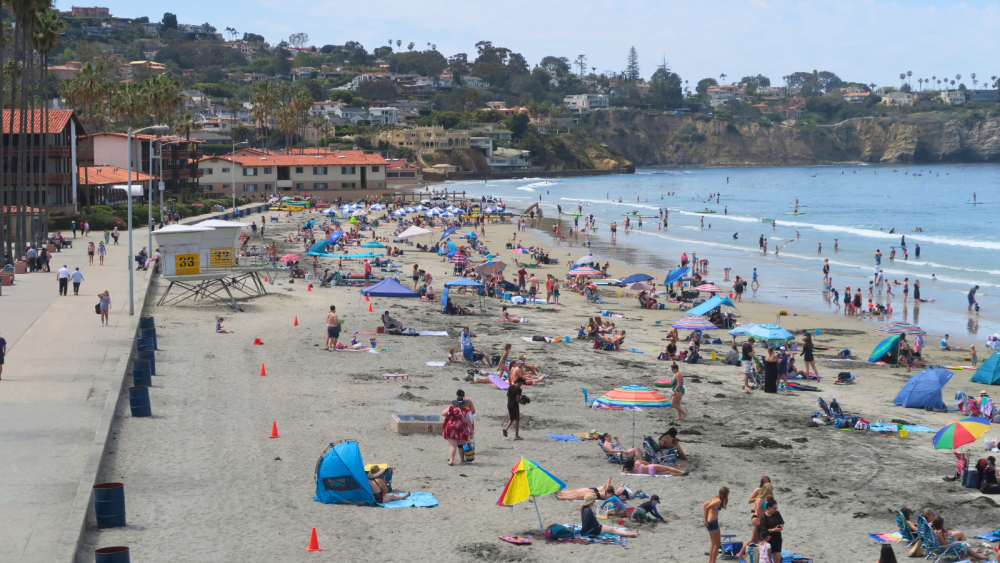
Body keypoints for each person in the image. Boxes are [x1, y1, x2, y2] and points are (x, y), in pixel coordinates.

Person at [702, 487, 729, 563]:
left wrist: (704, 518)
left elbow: (704, 505)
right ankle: (713, 561)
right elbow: (707, 508)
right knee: (717, 544)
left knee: (713, 544)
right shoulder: (718, 501)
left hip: (711, 522)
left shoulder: (715, 498)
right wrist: (705, 519)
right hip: (713, 522)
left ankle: (711, 561)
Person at [442, 401, 472, 466]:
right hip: (462, 429)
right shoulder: (465, 411)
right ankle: (462, 459)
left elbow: (443, 413)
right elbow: (469, 421)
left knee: (453, 446)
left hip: (451, 428)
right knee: (461, 445)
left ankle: (451, 460)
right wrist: (471, 430)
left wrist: (451, 416)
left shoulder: (451, 408)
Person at [760, 499, 784, 563]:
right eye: (774, 508)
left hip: (777, 538)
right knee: (768, 559)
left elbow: (781, 522)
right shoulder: (763, 516)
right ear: (769, 507)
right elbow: (763, 530)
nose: (775, 510)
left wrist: (780, 527)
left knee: (777, 560)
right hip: (768, 539)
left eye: (776, 508)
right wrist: (773, 530)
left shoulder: (777, 513)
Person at [622, 458, 687, 476]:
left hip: (651, 473)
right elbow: (647, 463)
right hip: (651, 467)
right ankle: (681, 472)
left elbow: (622, 471)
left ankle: (679, 475)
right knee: (667, 468)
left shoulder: (632, 471)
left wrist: (623, 466)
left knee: (668, 472)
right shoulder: (637, 462)